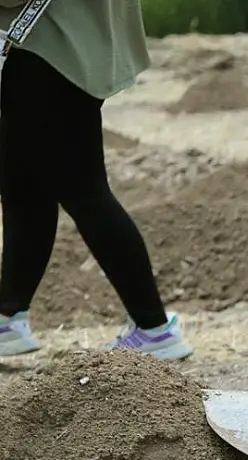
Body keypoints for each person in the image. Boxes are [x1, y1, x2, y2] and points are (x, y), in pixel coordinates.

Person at [0, 0, 193, 360]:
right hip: (64, 43)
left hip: (47, 47)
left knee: (84, 192)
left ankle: (154, 328)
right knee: (24, 187)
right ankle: (9, 318)